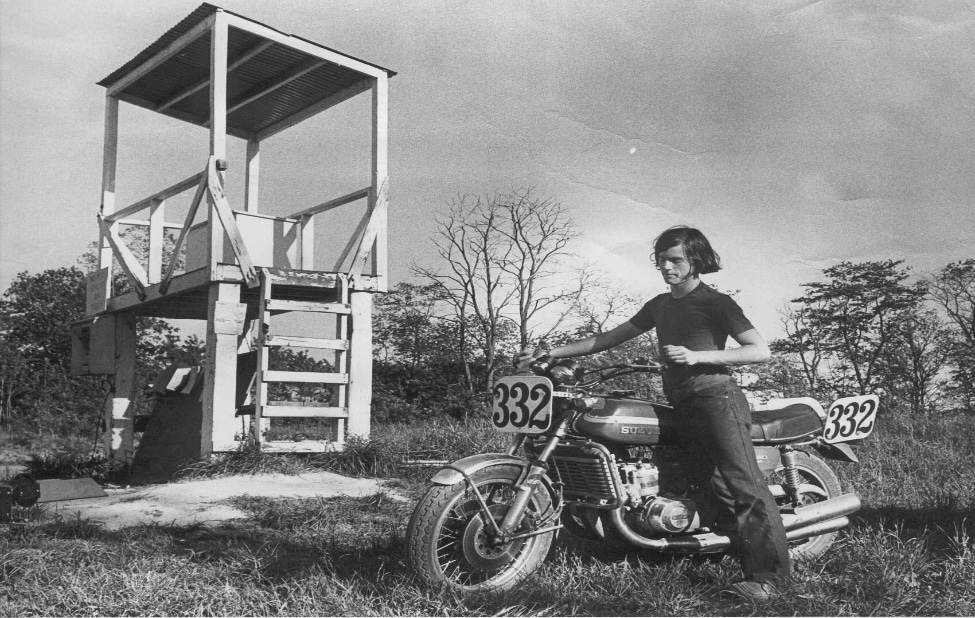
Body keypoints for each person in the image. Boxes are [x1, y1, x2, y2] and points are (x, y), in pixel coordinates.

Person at [514, 225, 791, 601]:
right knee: (700, 478)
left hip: (716, 397)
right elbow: (608, 337)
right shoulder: (660, 305)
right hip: (681, 400)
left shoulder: (716, 303)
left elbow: (759, 349)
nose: (665, 266)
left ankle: (769, 579)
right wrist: (554, 354)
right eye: (660, 260)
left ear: (697, 261)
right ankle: (701, 537)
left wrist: (698, 356)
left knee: (744, 482)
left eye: (674, 259)